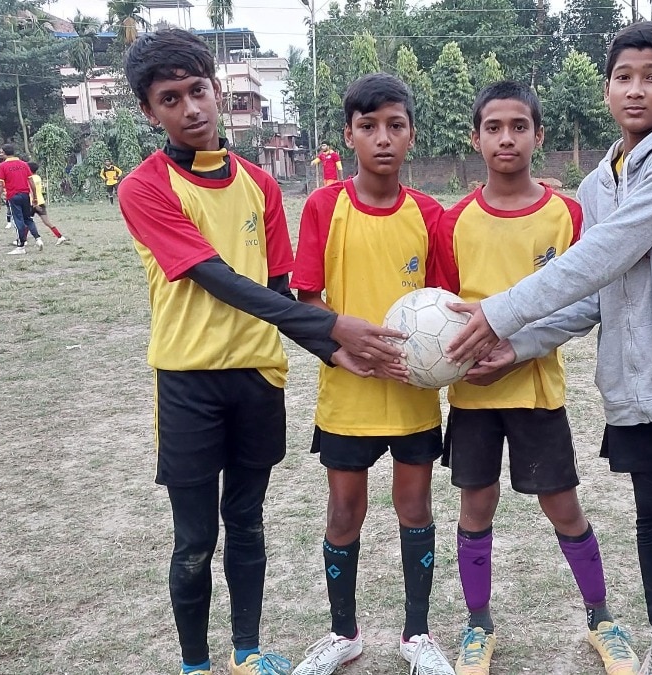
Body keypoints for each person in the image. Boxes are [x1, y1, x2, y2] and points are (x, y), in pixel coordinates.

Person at [446, 22, 652, 675]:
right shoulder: (597, 185)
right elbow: (594, 295)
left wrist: (499, 312)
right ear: (607, 90)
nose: (636, 90)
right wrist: (517, 344)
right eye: (623, 78)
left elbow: (607, 252)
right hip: (637, 383)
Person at [118, 29, 408, 675]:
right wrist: (333, 326)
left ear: (217, 90)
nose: (190, 108)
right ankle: (195, 664)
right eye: (170, 99)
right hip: (188, 382)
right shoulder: (144, 187)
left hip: (257, 378)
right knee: (195, 538)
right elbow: (219, 279)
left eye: (198, 90)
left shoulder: (259, 185)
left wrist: (329, 348)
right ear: (149, 111)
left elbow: (276, 292)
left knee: (247, 521)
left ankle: (246, 651)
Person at [432, 81, 639, 675]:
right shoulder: (453, 221)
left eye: (519, 126)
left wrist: (519, 351)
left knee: (564, 507)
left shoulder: (566, 215)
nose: (506, 138)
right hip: (472, 397)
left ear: (538, 135)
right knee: (476, 508)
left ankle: (602, 619)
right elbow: (440, 312)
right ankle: (478, 626)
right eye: (493, 127)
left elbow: (583, 302)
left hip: (538, 393)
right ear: (475, 138)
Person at [290, 73, 455, 675]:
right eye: (368, 127)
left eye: (395, 126)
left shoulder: (430, 215)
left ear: (411, 134)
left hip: (412, 396)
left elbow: (444, 305)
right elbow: (306, 299)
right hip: (348, 394)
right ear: (348, 136)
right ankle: (343, 634)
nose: (382, 138)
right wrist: (342, 349)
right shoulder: (323, 206)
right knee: (343, 511)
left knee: (415, 506)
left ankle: (418, 635)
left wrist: (436, 357)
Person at [0, 144, 43, 255]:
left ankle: (21, 247)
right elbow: (31, 182)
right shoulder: (24, 164)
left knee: (17, 221)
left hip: (13, 196)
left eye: (1, 152)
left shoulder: (2, 166)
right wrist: (35, 197)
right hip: (25, 195)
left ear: (4, 153)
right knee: (28, 219)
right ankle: (38, 239)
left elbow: (0, 185)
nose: (0, 154)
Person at [25, 162, 70, 244]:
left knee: (27, 222)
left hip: (32, 202)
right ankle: (60, 236)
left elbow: (31, 191)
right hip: (41, 202)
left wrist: (34, 203)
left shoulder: (29, 179)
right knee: (47, 222)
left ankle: (23, 240)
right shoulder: (38, 177)